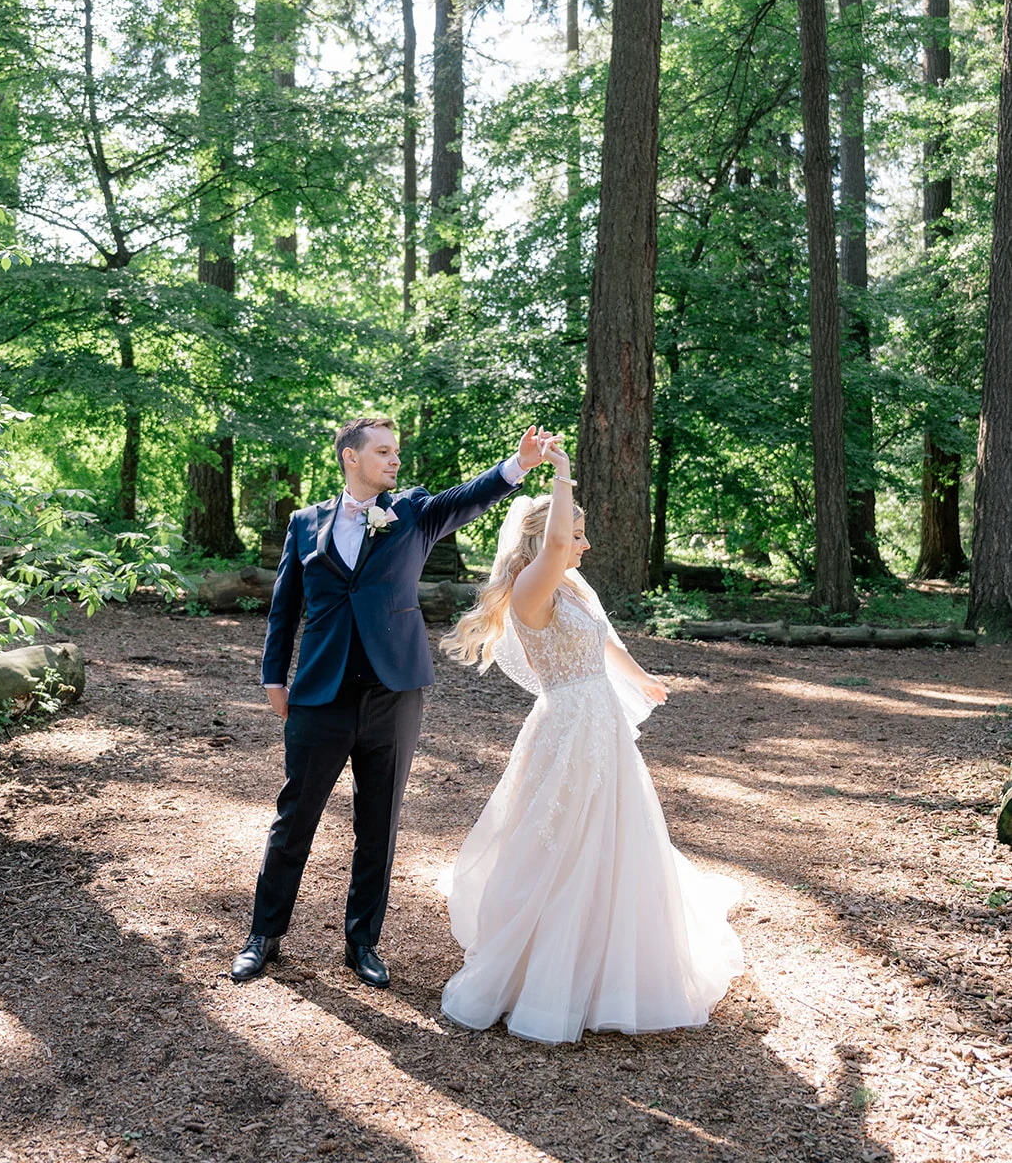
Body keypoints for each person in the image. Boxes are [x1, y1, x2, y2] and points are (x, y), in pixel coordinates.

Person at [438, 432, 743, 1043]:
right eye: (575, 534)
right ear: (544, 539)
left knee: (614, 836)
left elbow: (600, 640)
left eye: (579, 534)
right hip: (568, 727)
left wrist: (640, 676)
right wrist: (561, 471)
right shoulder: (533, 587)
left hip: (600, 723)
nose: (582, 543)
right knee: (564, 842)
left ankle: (610, 965)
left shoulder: (571, 588)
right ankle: (545, 974)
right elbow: (556, 544)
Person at [231, 416, 544, 987]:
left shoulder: (413, 512)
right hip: (320, 694)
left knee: (379, 825)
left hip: (394, 694)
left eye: (396, 451)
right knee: (294, 818)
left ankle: (362, 943)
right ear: (350, 457)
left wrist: (518, 465)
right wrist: (274, 677)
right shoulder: (305, 524)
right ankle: (263, 936)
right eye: (382, 451)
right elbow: (284, 607)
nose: (394, 459)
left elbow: (468, 497)